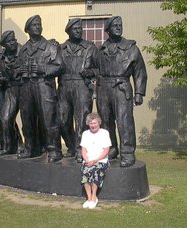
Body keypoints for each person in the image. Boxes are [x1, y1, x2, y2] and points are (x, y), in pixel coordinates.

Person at [96, 16, 147, 167]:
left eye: (120, 25)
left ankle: (127, 153)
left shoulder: (131, 48)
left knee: (124, 121)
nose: (118, 27)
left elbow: (140, 71)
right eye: (115, 25)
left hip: (121, 86)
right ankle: (111, 149)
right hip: (103, 88)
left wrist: (139, 93)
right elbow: (95, 69)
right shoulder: (101, 49)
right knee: (105, 121)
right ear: (108, 30)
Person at [17, 15, 64, 162]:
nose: (38, 27)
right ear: (27, 29)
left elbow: (60, 66)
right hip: (26, 87)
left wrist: (42, 68)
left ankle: (54, 150)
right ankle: (30, 148)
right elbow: (16, 69)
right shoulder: (23, 49)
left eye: (39, 24)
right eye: (34, 25)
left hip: (44, 86)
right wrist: (20, 70)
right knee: (27, 119)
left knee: (49, 118)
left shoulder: (51, 46)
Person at [58, 18, 98, 163]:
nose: (78, 30)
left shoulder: (90, 48)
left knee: (82, 120)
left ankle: (81, 149)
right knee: (62, 120)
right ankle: (71, 146)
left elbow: (100, 68)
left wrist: (91, 72)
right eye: (75, 28)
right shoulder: (60, 48)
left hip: (82, 86)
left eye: (80, 28)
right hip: (64, 86)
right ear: (68, 31)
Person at [0, 30, 24, 155]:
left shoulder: (24, 51)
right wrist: (2, 79)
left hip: (25, 89)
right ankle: (11, 146)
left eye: (14, 39)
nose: (13, 42)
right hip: (11, 90)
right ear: (4, 44)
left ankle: (35, 147)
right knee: (6, 119)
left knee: (29, 121)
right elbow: (4, 74)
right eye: (9, 41)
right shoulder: (2, 58)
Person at [80, 112, 111, 209]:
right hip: (88, 160)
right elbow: (83, 150)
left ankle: (94, 197)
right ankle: (88, 198)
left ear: (99, 123)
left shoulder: (104, 133)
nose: (93, 125)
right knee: (85, 173)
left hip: (100, 160)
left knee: (95, 173)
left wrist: (95, 160)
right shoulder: (85, 134)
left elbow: (106, 150)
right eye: (91, 123)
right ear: (88, 124)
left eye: (95, 123)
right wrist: (86, 160)